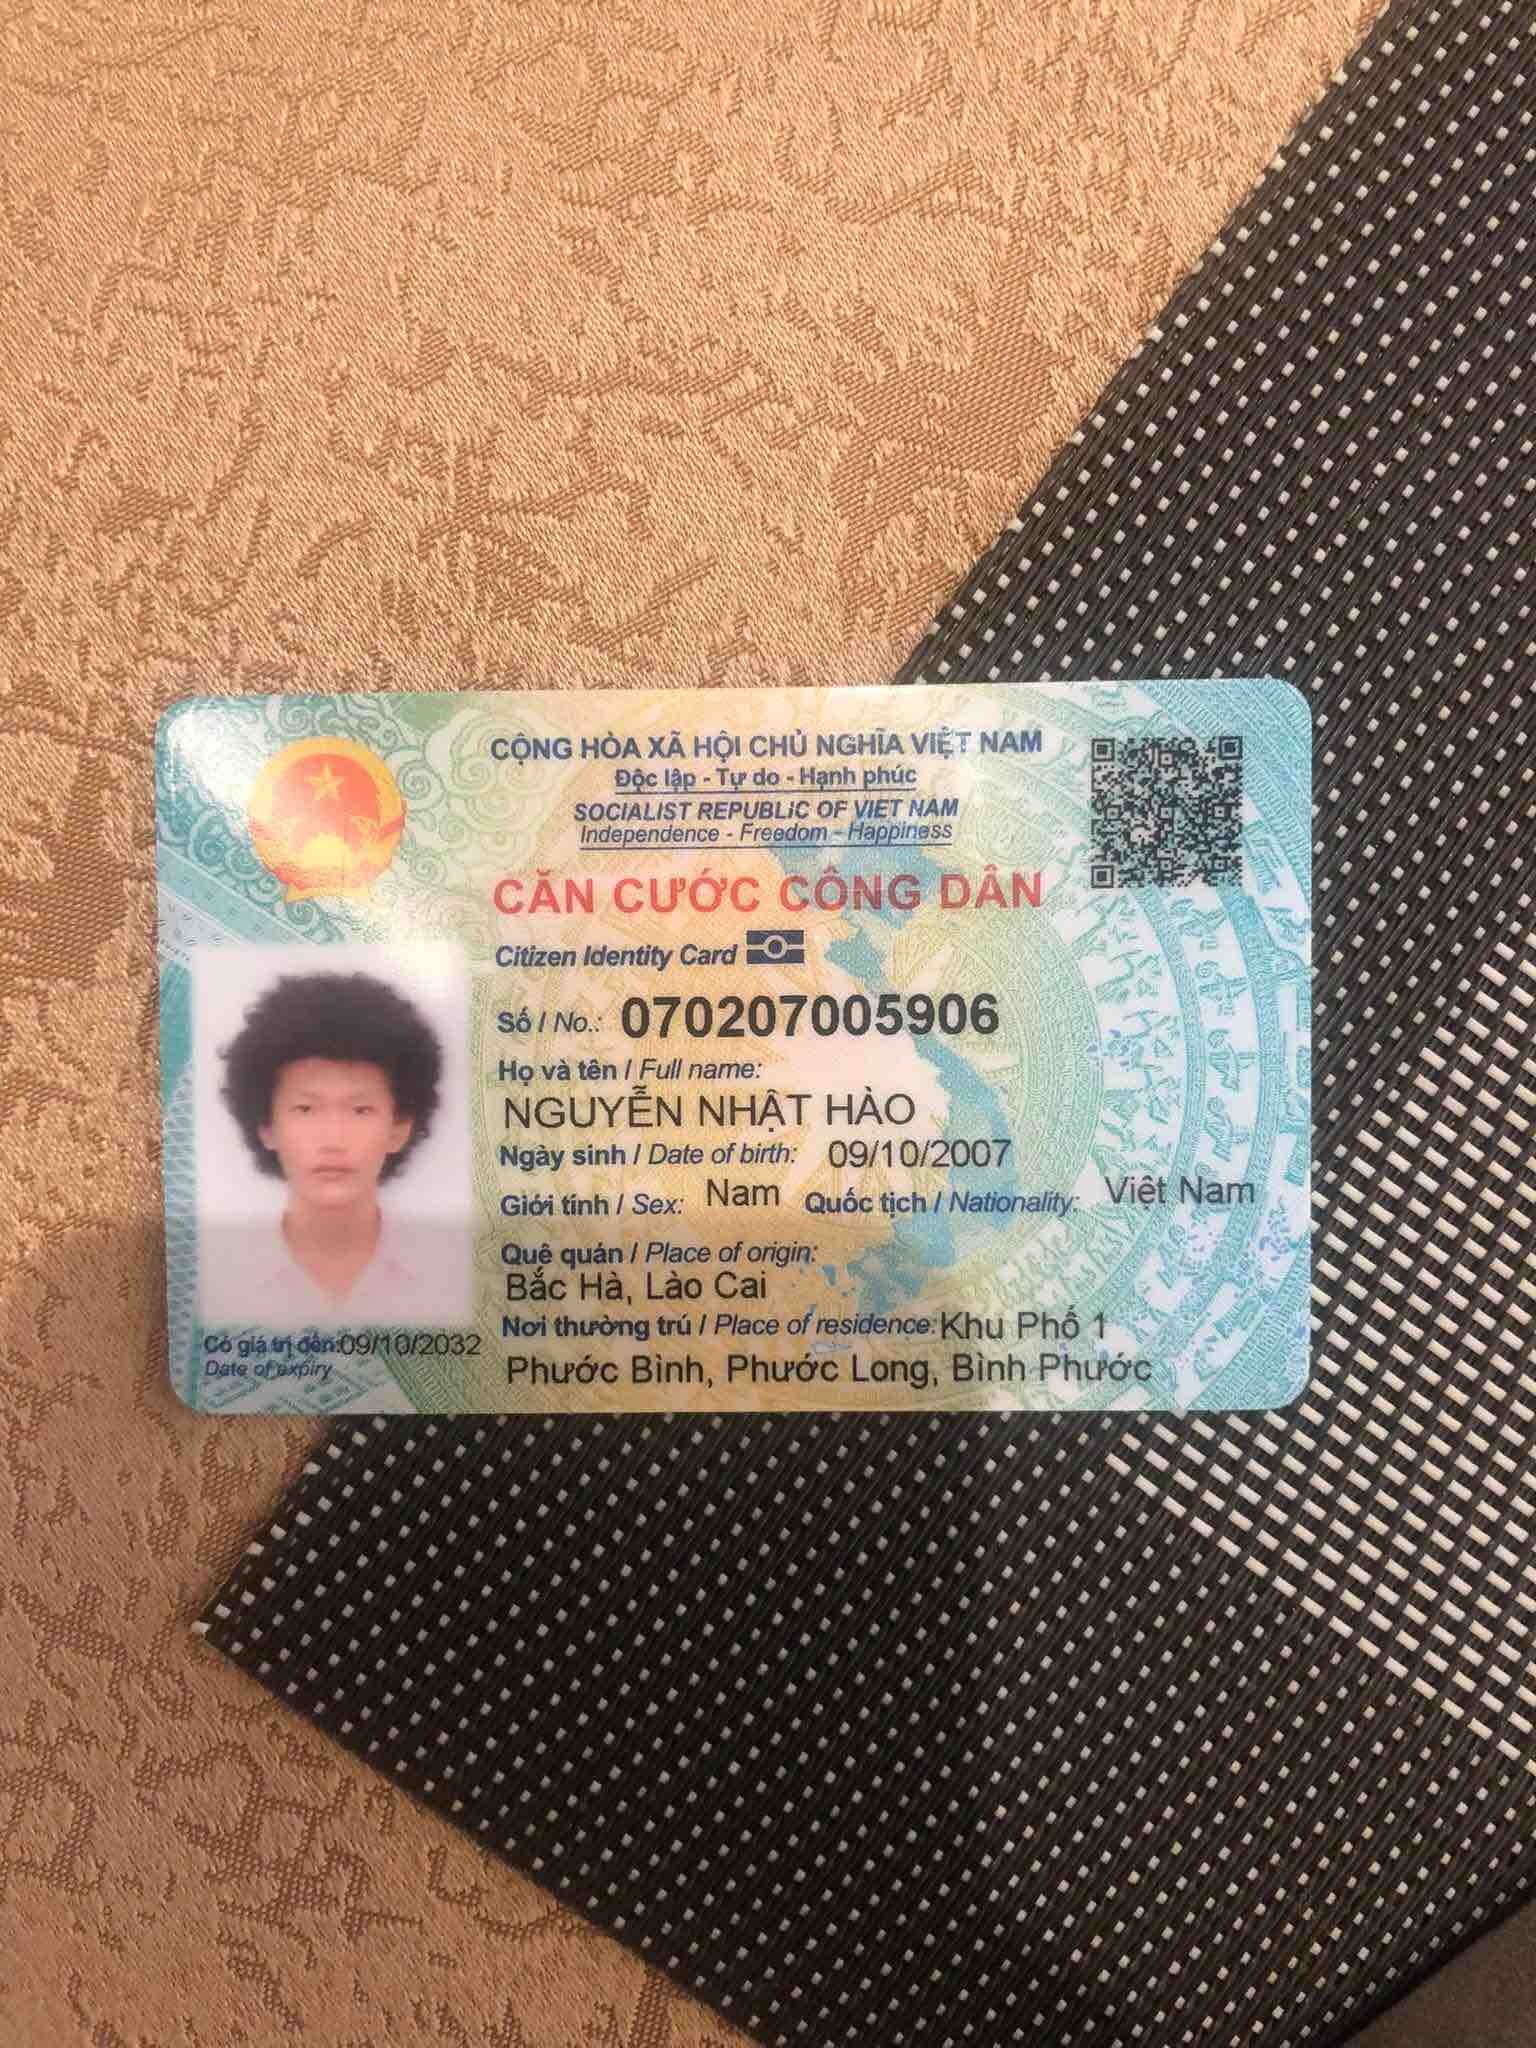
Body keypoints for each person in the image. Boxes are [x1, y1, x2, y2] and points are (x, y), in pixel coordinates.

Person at [207, 970, 444, 1333]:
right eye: (306, 1109)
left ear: (399, 1128)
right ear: (267, 1126)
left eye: (360, 1110)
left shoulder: (445, 1282)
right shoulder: (220, 1286)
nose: (333, 1139)